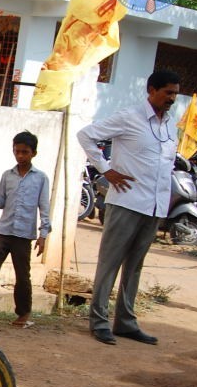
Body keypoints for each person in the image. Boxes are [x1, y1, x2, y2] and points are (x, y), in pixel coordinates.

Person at [76, 70, 181, 345]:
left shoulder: (171, 125)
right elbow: (86, 135)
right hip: (126, 202)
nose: (172, 98)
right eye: (168, 92)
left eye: (175, 93)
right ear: (152, 90)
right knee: (109, 263)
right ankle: (99, 321)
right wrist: (106, 170)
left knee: (134, 267)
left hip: (155, 207)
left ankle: (125, 322)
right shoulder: (129, 117)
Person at [0, 131, 52, 328]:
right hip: (3, 232)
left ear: (33, 153)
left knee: (22, 276)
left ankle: (23, 314)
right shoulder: (7, 176)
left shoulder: (41, 178)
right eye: (17, 151)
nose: (20, 156)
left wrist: (43, 235)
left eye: (24, 152)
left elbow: (44, 208)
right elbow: (0, 203)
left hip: (23, 236)